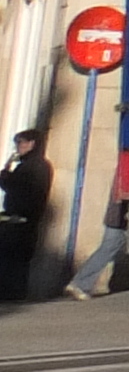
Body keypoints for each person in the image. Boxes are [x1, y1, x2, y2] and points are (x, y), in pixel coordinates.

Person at [0, 126, 49, 301]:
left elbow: (16, 188)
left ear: (32, 144)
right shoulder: (35, 165)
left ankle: (11, 294)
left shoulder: (31, 167)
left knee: (12, 260)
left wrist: (6, 172)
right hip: (24, 219)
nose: (18, 147)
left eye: (20, 143)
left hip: (21, 219)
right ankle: (13, 293)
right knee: (16, 260)